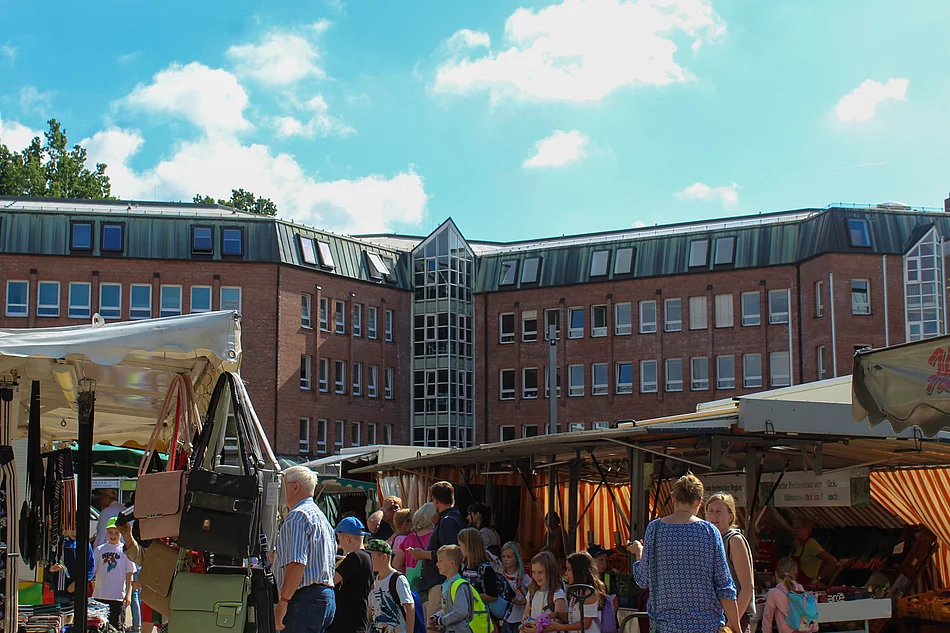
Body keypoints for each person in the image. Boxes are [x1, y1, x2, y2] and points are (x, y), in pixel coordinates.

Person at [628, 473, 740, 633]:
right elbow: (724, 586)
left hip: (665, 626)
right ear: (699, 501)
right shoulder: (710, 531)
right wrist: (735, 625)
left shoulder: (655, 529)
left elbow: (643, 580)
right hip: (706, 627)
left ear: (673, 497)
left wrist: (639, 552)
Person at [274, 466, 337, 633]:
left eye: (283, 485)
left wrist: (283, 601)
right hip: (325, 597)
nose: (280, 490)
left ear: (295, 486)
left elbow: (297, 563)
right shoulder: (321, 518)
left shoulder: (297, 516)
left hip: (304, 599)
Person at [406, 481, 465, 621]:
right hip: (443, 581)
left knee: (434, 624)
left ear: (436, 500)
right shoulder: (455, 518)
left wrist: (422, 554)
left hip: (441, 582)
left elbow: (449, 552)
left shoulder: (448, 520)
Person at [706, 493, 756, 633]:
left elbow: (747, 587)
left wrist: (731, 624)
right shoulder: (708, 541)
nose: (714, 516)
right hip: (712, 618)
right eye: (711, 511)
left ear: (730, 517)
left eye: (719, 512)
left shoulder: (734, 541)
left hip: (734, 619)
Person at [541, 552, 605, 633]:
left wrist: (560, 627)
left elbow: (586, 624)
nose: (566, 573)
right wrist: (557, 614)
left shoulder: (589, 593)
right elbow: (573, 617)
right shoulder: (576, 591)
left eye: (569, 569)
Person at [332, 516, 375, 633]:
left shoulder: (355, 557)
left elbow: (331, 580)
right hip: (358, 618)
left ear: (347, 538)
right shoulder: (367, 556)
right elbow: (373, 586)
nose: (339, 543)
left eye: (339, 539)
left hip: (348, 622)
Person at [92, 517, 136, 630]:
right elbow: (93, 571)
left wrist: (128, 594)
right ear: (106, 532)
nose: (113, 535)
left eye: (116, 532)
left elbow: (129, 573)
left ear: (121, 533)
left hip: (117, 596)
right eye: (111, 532)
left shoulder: (125, 550)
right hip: (100, 595)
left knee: (116, 626)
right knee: (99, 626)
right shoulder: (99, 550)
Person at [367, 539, 415, 633]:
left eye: (373, 558)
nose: (371, 562)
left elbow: (409, 607)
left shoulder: (398, 579)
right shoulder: (374, 581)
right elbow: (370, 611)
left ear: (384, 557)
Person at [762, 558, 818, 633]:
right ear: (795, 574)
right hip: (803, 629)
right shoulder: (799, 587)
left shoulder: (773, 592)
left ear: (776, 574)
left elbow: (767, 617)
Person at [431, 545, 476, 633]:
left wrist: (440, 621)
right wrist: (437, 616)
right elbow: (448, 608)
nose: (437, 564)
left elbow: (460, 612)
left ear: (452, 563)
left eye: (440, 561)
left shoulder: (459, 585)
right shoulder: (446, 584)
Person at [47, 528, 95, 606]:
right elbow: (48, 566)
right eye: (71, 529)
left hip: (80, 589)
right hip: (61, 590)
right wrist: (52, 569)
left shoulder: (85, 544)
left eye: (77, 528)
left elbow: (90, 567)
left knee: (79, 616)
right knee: (63, 615)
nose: (74, 532)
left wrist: (78, 583)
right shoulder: (58, 543)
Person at [458, 528, 500, 611]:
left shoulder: (486, 569)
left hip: (482, 615)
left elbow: (493, 596)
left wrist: (471, 595)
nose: (459, 548)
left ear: (468, 546)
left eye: (460, 545)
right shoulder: (463, 566)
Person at [790, 516, 837, 585]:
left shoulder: (811, 544)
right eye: (794, 527)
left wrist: (817, 579)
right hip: (796, 585)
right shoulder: (796, 546)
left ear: (807, 530)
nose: (795, 531)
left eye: (798, 528)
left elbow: (832, 562)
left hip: (807, 586)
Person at [396, 502, 437, 573]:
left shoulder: (409, 538)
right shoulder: (436, 535)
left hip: (412, 581)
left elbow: (396, 564)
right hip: (433, 580)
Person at [500, 542, 531, 633]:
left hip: (519, 618)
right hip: (505, 618)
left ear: (517, 558)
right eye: (503, 556)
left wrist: (523, 602)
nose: (505, 559)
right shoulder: (500, 575)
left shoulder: (523, 577)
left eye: (509, 557)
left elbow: (533, 592)